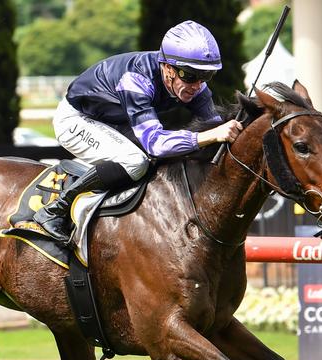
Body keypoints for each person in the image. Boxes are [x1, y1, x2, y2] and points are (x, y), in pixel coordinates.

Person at [33, 20, 243, 243]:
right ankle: (55, 210)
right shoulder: (136, 80)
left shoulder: (195, 86)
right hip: (77, 119)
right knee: (136, 162)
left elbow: (216, 127)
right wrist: (210, 135)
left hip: (113, 121)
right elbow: (157, 143)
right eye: (189, 75)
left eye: (205, 76)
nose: (197, 85)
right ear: (167, 68)